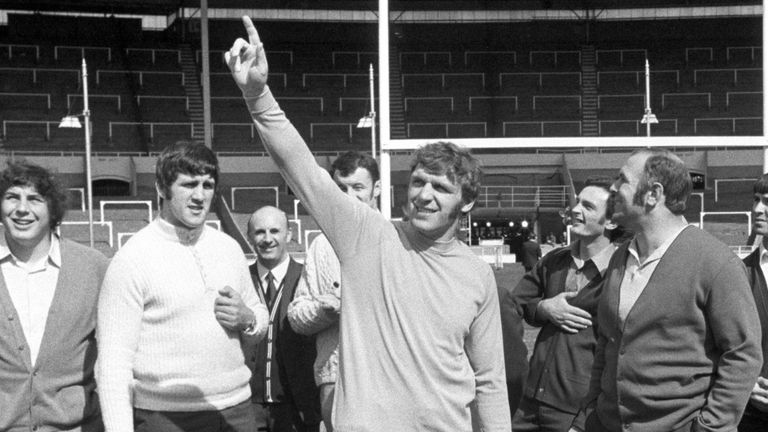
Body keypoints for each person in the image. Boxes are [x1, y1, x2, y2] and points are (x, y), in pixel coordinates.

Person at [226, 17, 510, 431]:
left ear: (466, 203)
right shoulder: (367, 235)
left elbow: (489, 381)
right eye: (417, 182)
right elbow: (303, 170)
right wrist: (258, 95)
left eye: (440, 188)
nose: (424, 195)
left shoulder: (477, 274)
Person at [575, 148, 762, 432]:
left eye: (622, 179)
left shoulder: (715, 262)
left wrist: (711, 427)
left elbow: (743, 353)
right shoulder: (620, 257)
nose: (612, 187)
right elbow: (608, 343)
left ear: (653, 194)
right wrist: (590, 412)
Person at [96, 142, 270, 432]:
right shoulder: (132, 259)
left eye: (208, 185)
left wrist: (248, 319)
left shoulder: (229, 249)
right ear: (162, 189)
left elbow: (258, 317)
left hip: (236, 411)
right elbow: (113, 365)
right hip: (165, 418)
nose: (200, 196)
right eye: (189, 185)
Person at [0, 160, 108, 431]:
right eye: (12, 197)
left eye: (35, 199)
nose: (21, 209)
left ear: (53, 210)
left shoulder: (93, 268)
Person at [510, 179, 620, 432]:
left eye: (588, 206)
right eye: (577, 202)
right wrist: (544, 308)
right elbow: (516, 302)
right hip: (528, 403)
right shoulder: (554, 261)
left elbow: (621, 358)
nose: (575, 209)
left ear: (611, 222)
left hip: (574, 412)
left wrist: (583, 423)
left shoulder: (623, 273)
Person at [286, 151, 381, 432]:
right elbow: (296, 317)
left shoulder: (397, 240)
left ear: (376, 189)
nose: (348, 196)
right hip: (334, 379)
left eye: (358, 187)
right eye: (341, 188)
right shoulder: (320, 246)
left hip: (388, 377)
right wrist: (323, 312)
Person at [245, 205, 321, 432]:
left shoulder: (308, 278)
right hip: (248, 408)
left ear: (288, 234)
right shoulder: (240, 278)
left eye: (275, 231)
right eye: (259, 232)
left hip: (297, 408)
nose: (267, 239)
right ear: (249, 236)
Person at [739, 174, 768, 431]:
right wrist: (746, 383)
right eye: (757, 200)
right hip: (752, 415)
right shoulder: (740, 273)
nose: (758, 209)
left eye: (767, 201)